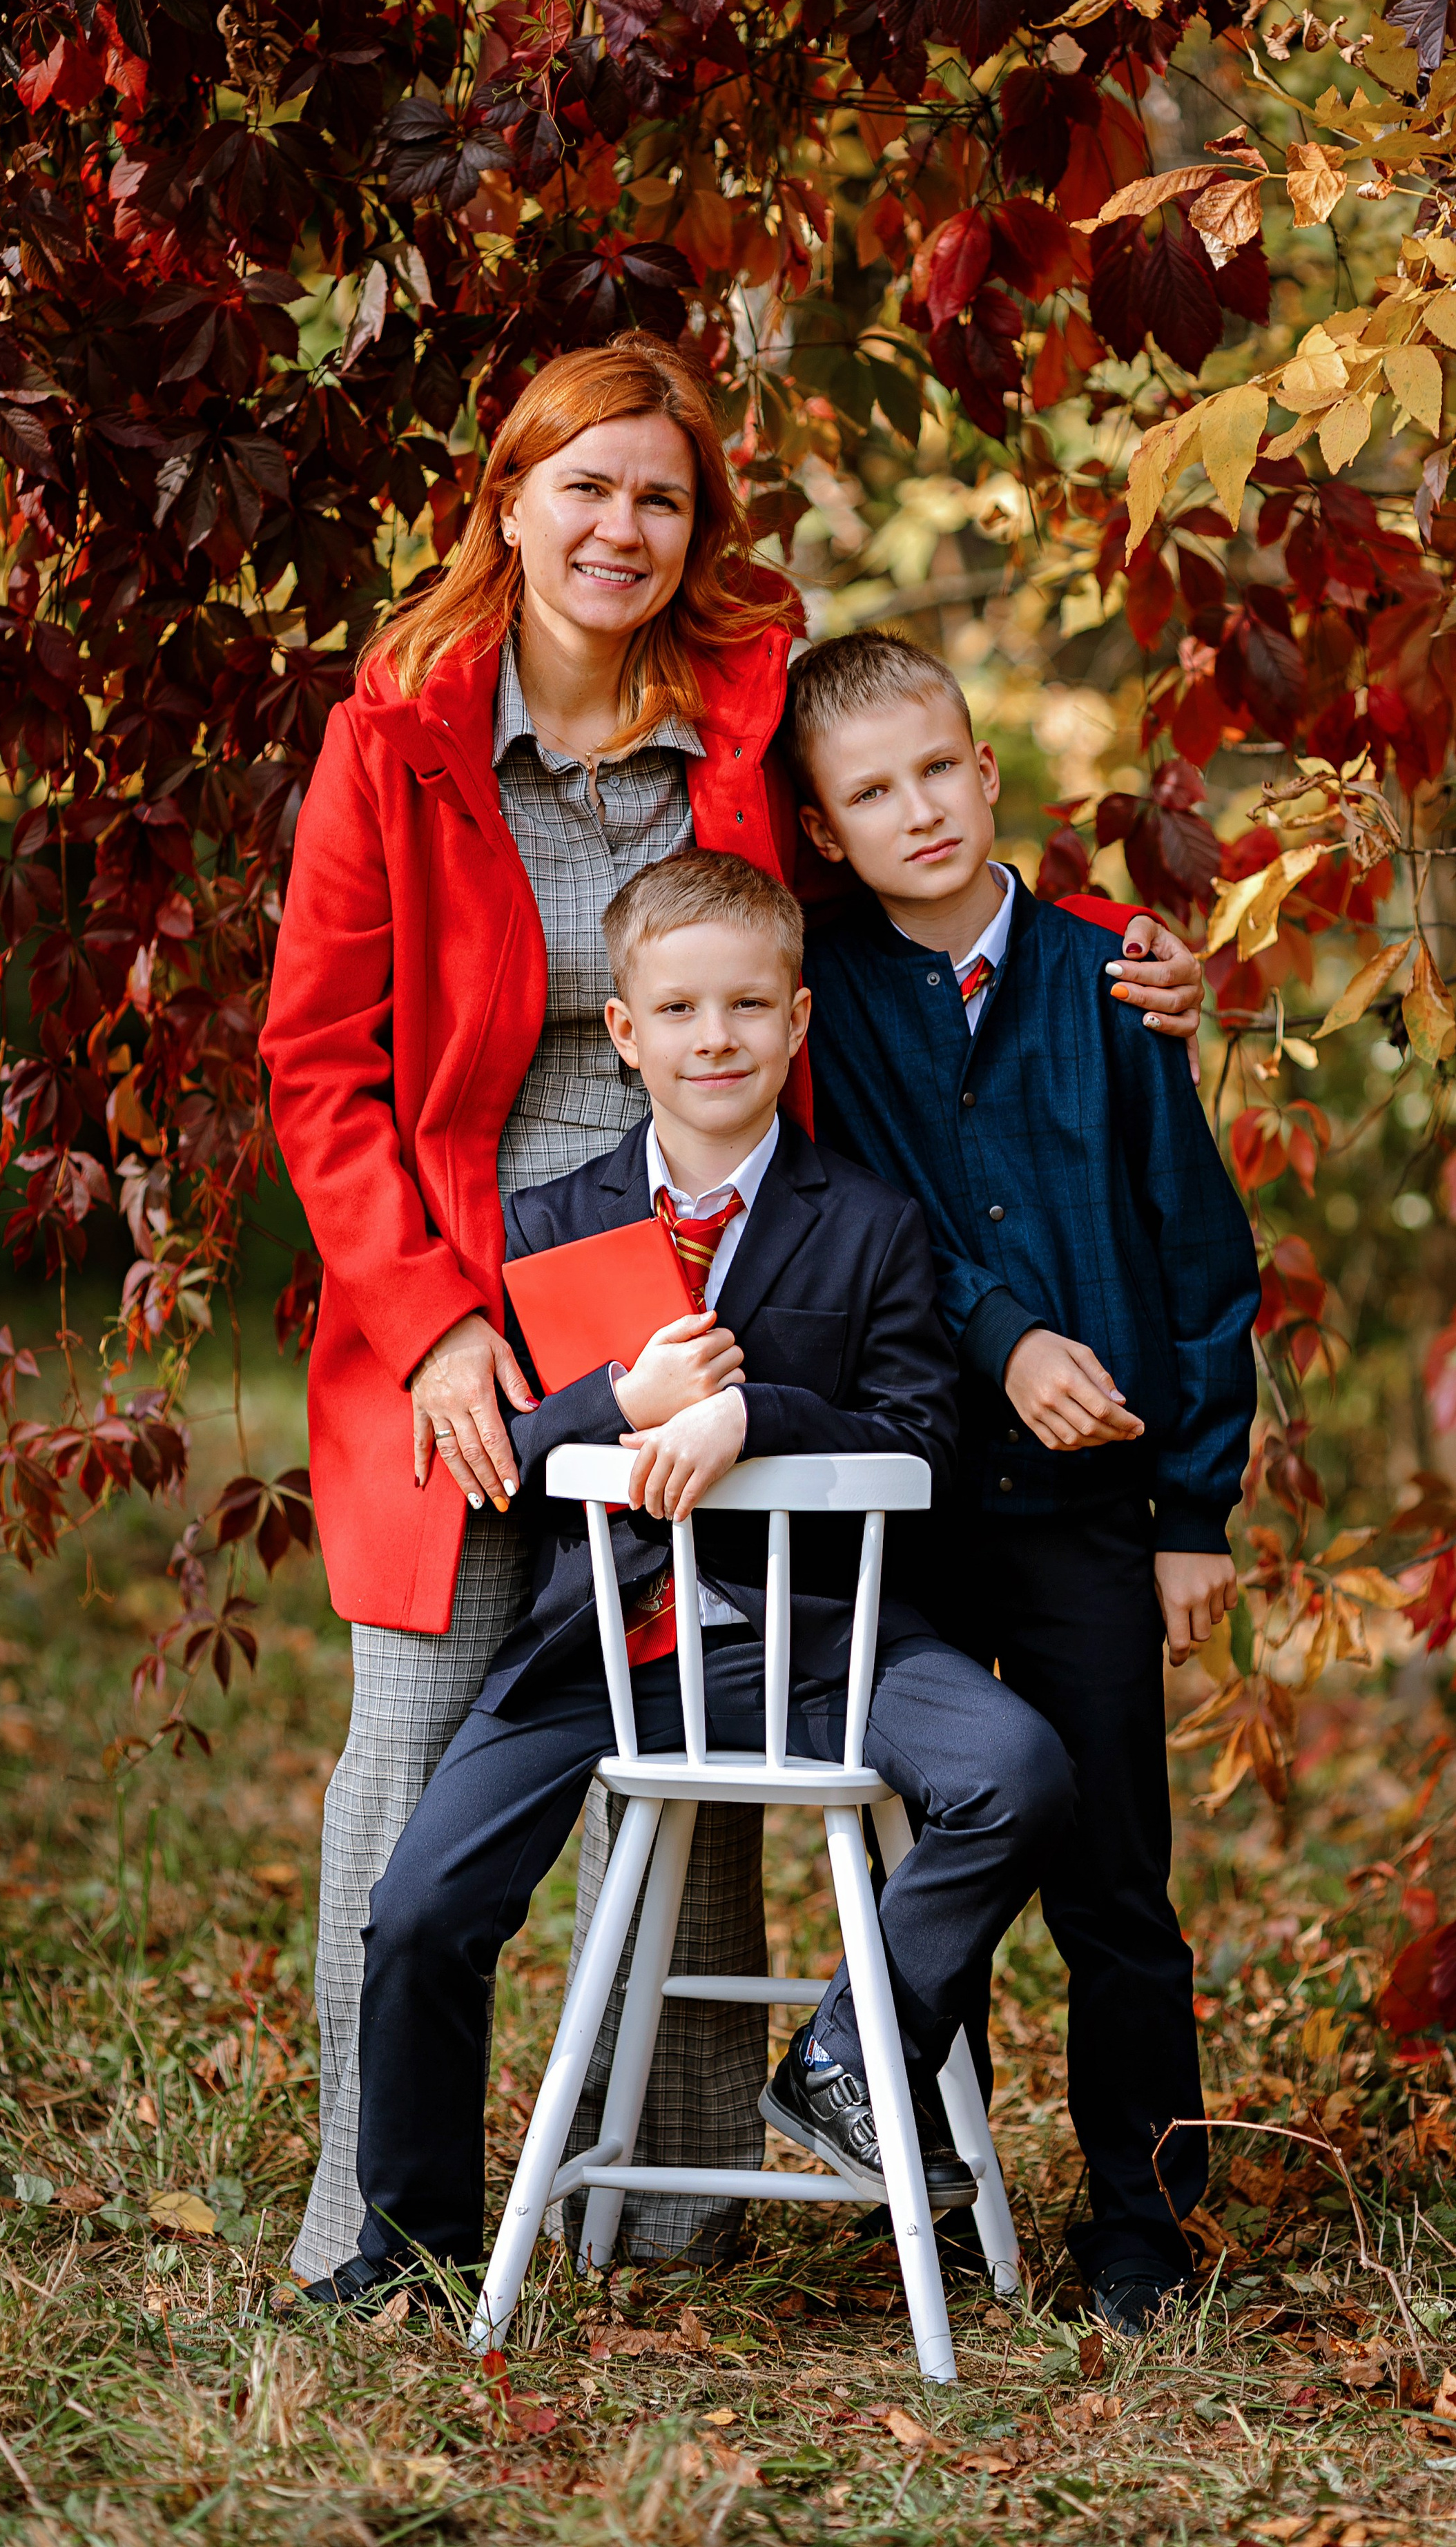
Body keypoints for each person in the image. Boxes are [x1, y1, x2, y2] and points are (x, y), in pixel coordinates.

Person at [260, 331, 1209, 2283]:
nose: (620, 525)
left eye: (661, 496)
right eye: (584, 484)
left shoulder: (740, 712)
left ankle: (680, 2205)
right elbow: (320, 1065)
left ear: (699, 533)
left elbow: (882, 880)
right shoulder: (400, 735)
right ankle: (374, 2206)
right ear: (506, 496)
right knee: (421, 1745)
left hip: (743, 1258)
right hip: (483, 1283)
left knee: (714, 1678)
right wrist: (438, 1325)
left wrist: (1101, 963)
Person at [319, 851, 1074, 2298]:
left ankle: (855, 2048)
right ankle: (408, 2244)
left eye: (743, 1006)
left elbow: (917, 1437)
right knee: (416, 1904)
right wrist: (621, 1396)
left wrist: (752, 1414)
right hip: (595, 1649)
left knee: (1019, 1772)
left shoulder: (866, 1221)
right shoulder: (554, 1220)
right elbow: (513, 1462)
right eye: (677, 1008)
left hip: (817, 1635)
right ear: (625, 1031)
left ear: (796, 1022)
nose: (711, 1036)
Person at [782, 630, 1261, 2338]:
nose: (913, 808)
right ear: (824, 830)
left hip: (1086, 1510)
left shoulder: (1106, 980)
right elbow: (851, 1212)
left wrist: (1194, 1513)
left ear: (988, 773)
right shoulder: (814, 998)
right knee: (955, 1843)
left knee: (1119, 1878)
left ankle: (1139, 2224)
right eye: (867, 792)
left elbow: (1203, 1251)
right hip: (906, 1496)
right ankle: (935, 2185)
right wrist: (1000, 1337)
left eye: (935, 768)